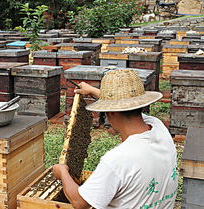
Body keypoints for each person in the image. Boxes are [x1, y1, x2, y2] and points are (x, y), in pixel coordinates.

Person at [53, 69, 178, 209]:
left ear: (110, 112)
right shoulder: (158, 127)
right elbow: (124, 107)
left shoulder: (117, 160)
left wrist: (62, 171)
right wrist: (93, 90)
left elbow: (80, 203)